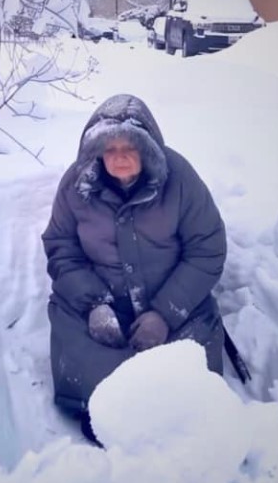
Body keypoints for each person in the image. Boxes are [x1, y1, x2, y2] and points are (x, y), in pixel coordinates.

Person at [41, 93, 227, 446]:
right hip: (100, 301)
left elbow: (208, 249)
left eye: (130, 148)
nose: (120, 158)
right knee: (83, 356)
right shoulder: (76, 184)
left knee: (187, 372)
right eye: (109, 150)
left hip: (172, 299)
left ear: (149, 150)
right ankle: (106, 410)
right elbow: (61, 247)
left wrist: (165, 313)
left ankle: (176, 412)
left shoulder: (180, 179)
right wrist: (93, 304)